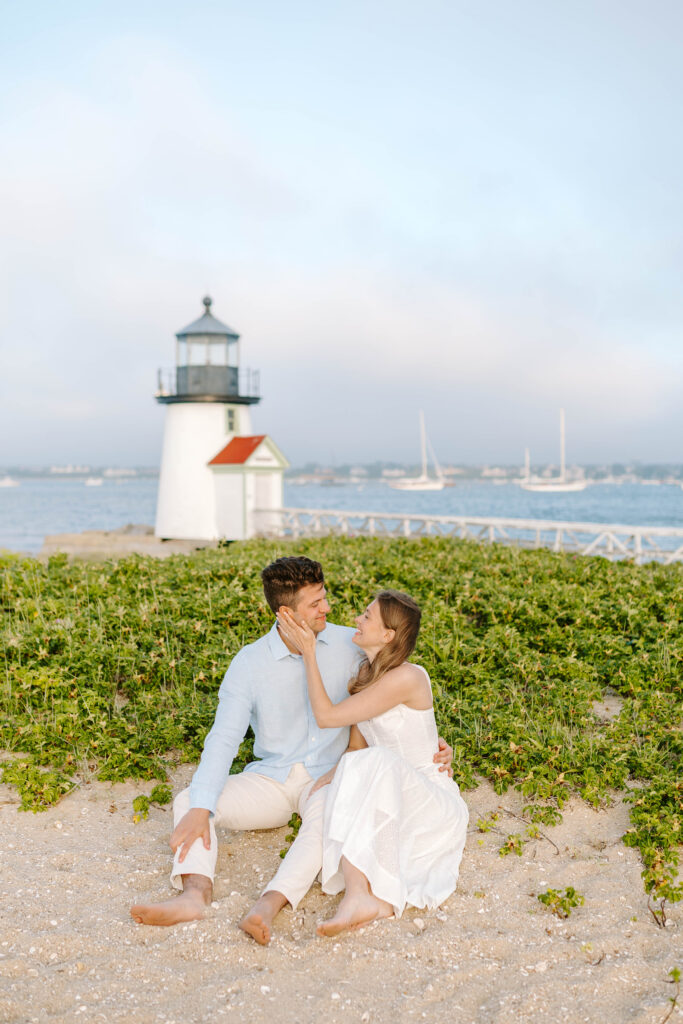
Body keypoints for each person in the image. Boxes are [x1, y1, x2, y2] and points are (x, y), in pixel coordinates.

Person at [130, 557, 453, 940]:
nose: (327, 609)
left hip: (332, 777)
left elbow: (395, 697)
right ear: (286, 612)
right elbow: (223, 738)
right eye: (315, 604)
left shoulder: (352, 648)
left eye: (325, 598)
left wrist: (432, 746)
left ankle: (267, 906)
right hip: (272, 778)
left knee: (324, 823)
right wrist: (203, 806)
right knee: (191, 801)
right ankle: (193, 895)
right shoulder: (249, 663)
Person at [276, 589, 469, 937]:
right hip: (391, 790)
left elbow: (326, 716)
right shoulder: (366, 674)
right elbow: (354, 748)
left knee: (374, 760)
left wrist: (309, 653)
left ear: (388, 635)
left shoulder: (409, 677)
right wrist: (334, 777)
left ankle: (360, 896)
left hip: (430, 800)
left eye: (366, 616)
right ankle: (361, 896)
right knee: (350, 772)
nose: (357, 620)